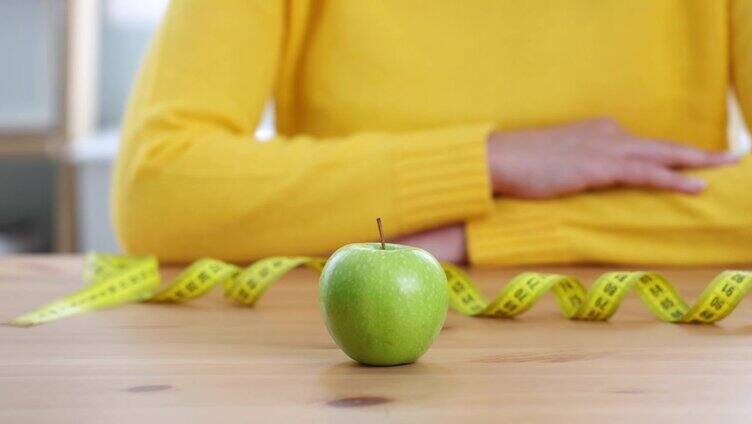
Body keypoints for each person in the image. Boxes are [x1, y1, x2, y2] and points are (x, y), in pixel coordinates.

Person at [113, 1, 752, 265]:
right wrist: (489, 160)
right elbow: (159, 185)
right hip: (342, 371)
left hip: (658, 374)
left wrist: (487, 235)